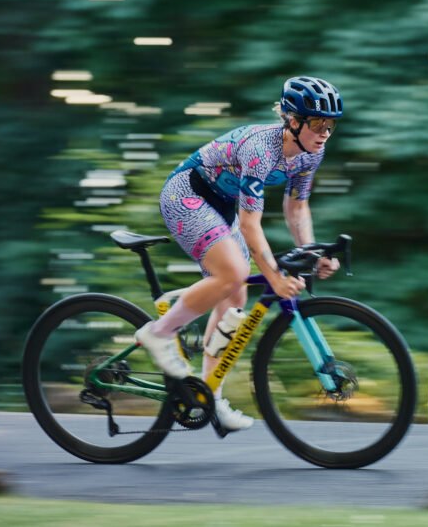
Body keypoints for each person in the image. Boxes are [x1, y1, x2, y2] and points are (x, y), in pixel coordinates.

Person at [135, 76, 343, 431]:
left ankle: (210, 396)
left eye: (330, 126)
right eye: (317, 124)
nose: (324, 133)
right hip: (187, 194)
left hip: (221, 205)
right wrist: (275, 277)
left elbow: (297, 207)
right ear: (293, 121)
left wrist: (311, 253)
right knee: (233, 272)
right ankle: (160, 332)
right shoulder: (261, 149)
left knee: (235, 296)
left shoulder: (311, 154)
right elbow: (250, 224)